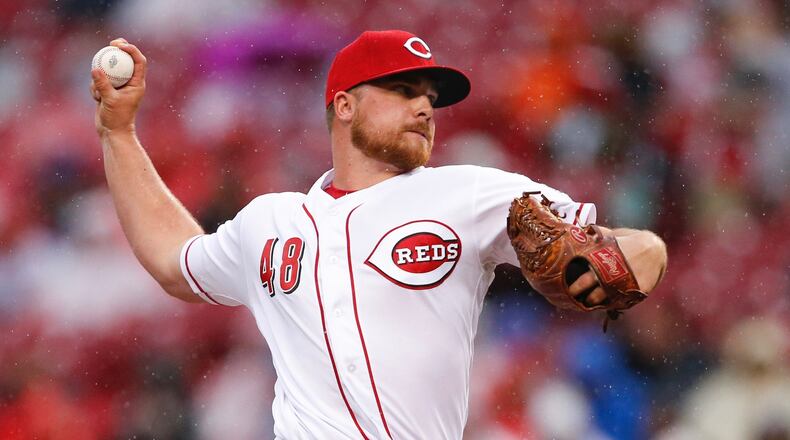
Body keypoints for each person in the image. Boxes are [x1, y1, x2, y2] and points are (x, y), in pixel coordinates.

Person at [90, 30, 667, 439]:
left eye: (429, 98)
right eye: (403, 90)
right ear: (344, 105)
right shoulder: (269, 221)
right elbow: (174, 261)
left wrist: (627, 259)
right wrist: (118, 134)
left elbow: (639, 253)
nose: (424, 108)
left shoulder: (470, 192)